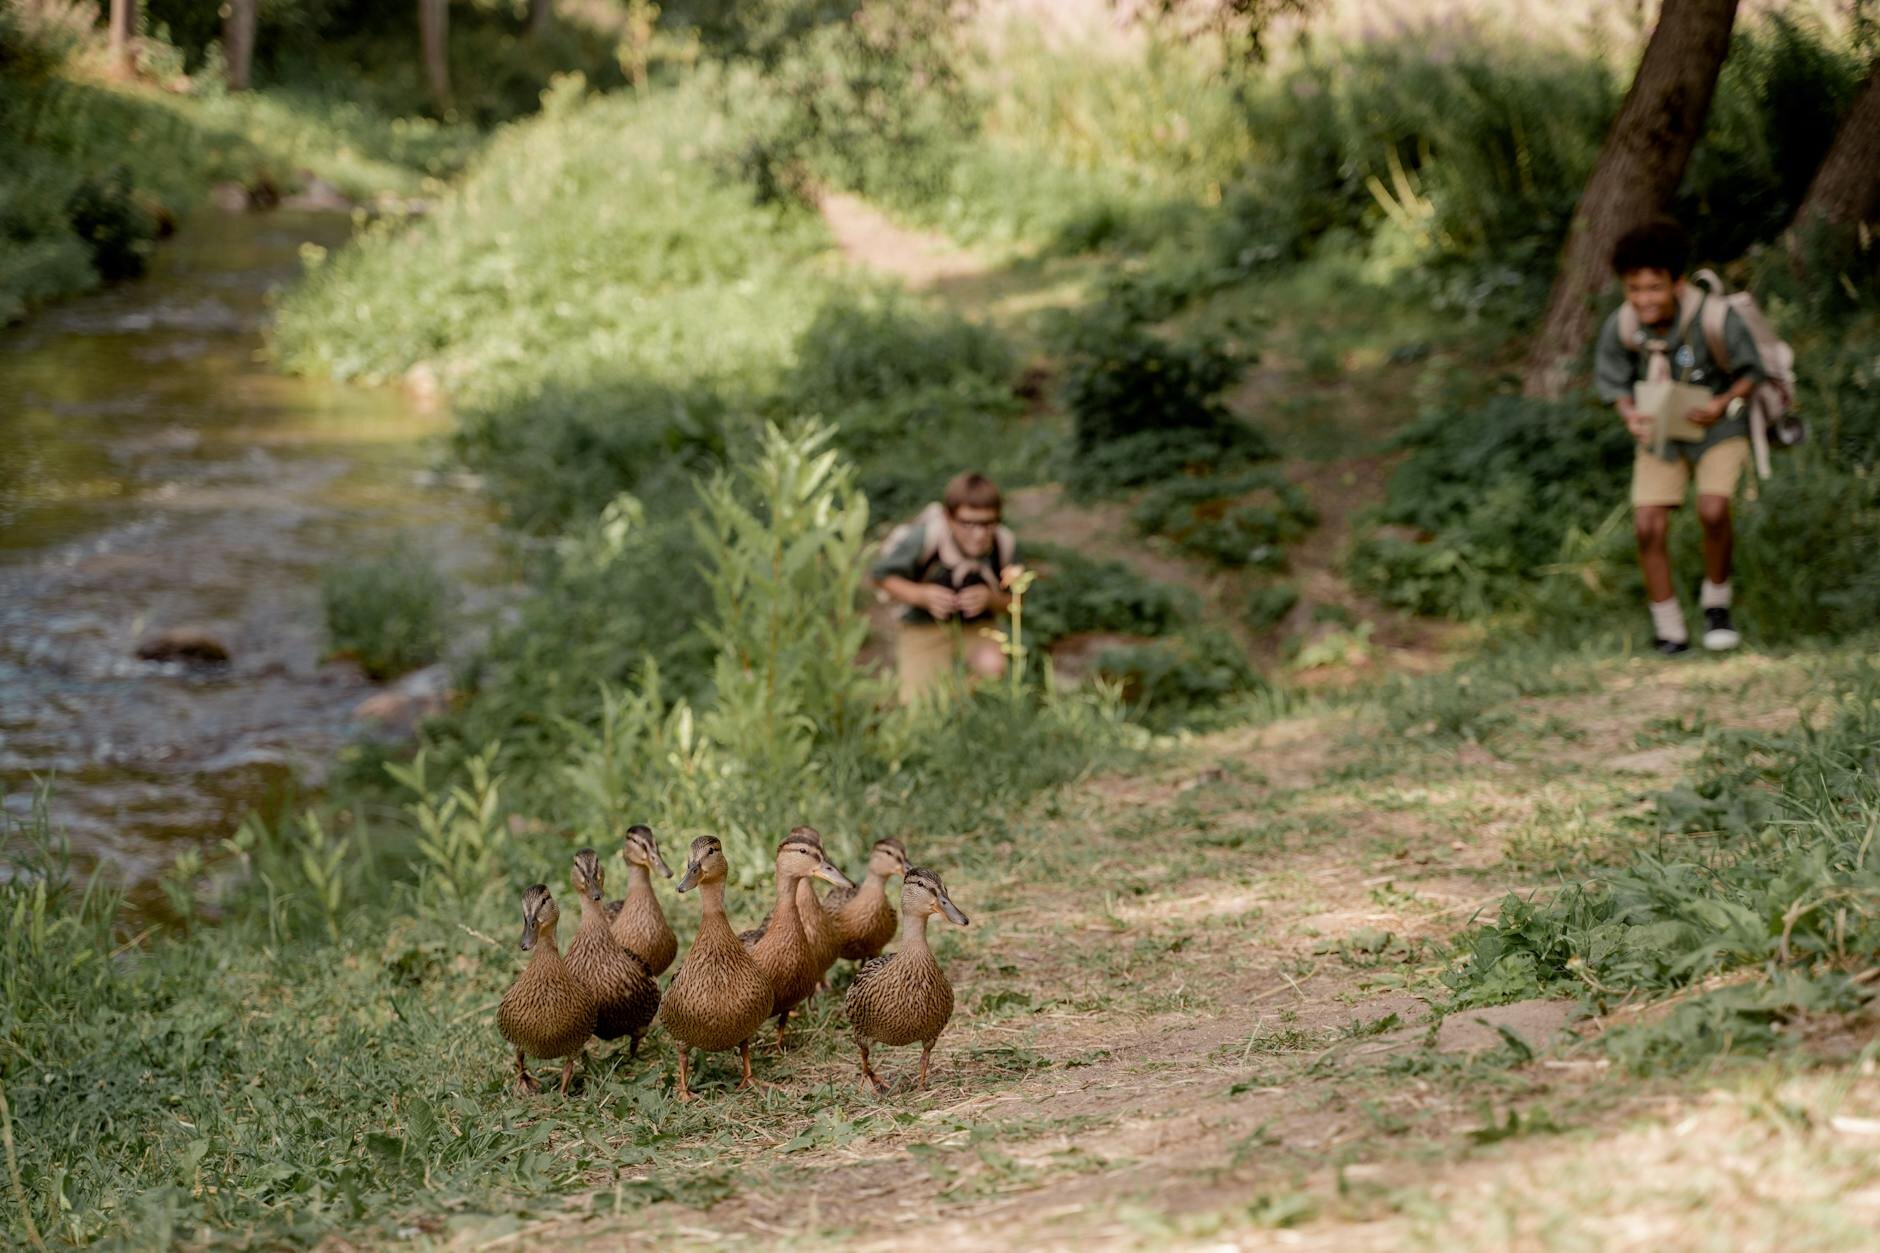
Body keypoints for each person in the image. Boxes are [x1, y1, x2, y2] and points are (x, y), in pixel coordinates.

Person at [1595, 219, 1765, 655]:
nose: (1643, 299)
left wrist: (1721, 401)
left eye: (1653, 287)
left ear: (1676, 281)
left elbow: (1751, 371)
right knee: (1647, 525)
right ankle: (1669, 628)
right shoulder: (1624, 324)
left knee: (1713, 510)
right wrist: (1630, 415)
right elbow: (1613, 380)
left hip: (1717, 425)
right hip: (1660, 428)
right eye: (1633, 289)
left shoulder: (1713, 316)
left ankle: (1716, 606)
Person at [869, 472, 1018, 703]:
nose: (978, 534)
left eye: (987, 524)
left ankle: (963, 706)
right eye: (968, 523)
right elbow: (881, 577)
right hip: (922, 626)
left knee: (993, 671)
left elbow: (1017, 603)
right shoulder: (925, 538)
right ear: (949, 518)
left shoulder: (1003, 543)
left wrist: (990, 599)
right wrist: (922, 596)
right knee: (918, 706)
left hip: (979, 626)